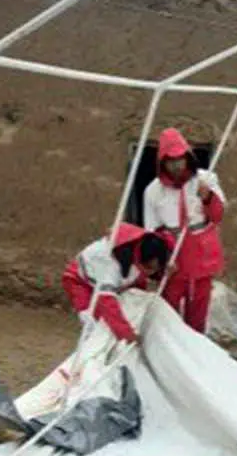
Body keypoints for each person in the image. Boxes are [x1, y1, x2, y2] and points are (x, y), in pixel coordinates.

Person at [141, 127, 226, 334]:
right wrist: (161, 260)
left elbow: (218, 216)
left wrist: (208, 198)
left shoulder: (206, 180)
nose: (177, 165)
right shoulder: (153, 191)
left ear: (188, 157)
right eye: (170, 161)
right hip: (173, 251)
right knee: (169, 305)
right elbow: (151, 230)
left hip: (201, 249)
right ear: (162, 163)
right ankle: (171, 342)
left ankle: (195, 342)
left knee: (198, 304)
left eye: (180, 159)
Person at [61, 223, 171, 342]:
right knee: (95, 326)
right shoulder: (108, 263)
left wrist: (163, 273)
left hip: (118, 285)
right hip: (81, 283)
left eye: (156, 269)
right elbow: (106, 301)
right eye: (149, 268)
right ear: (139, 260)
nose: (151, 273)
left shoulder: (148, 245)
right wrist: (126, 333)